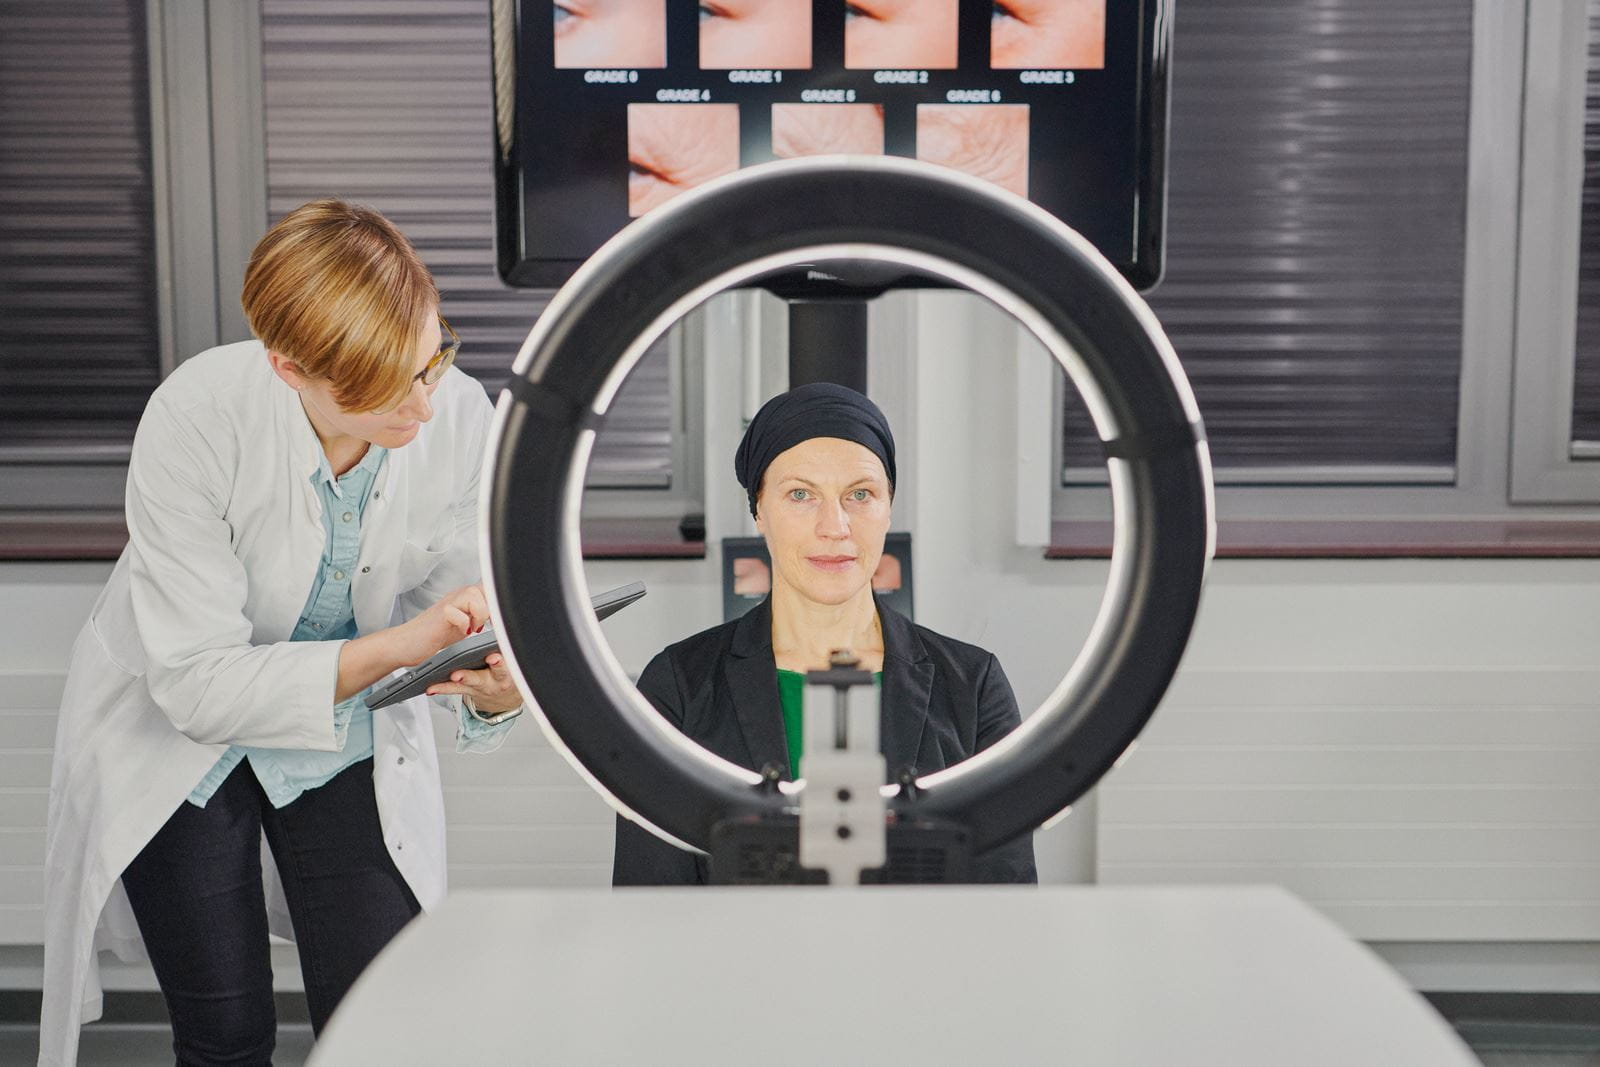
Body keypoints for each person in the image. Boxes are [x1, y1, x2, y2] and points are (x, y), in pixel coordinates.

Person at [38, 200, 525, 1067]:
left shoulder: (453, 413)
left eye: (432, 359)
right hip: (178, 740)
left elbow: (459, 600)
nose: (422, 403)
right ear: (290, 369)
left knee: (382, 1018)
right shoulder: (195, 419)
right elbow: (194, 681)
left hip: (343, 732)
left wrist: (491, 689)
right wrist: (402, 647)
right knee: (225, 1036)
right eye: (385, 387)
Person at [613, 383, 1038, 885]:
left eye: (860, 494)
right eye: (800, 494)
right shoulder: (681, 686)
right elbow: (651, 900)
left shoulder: (971, 684)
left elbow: (1005, 901)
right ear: (759, 510)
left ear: (888, 505)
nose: (834, 526)